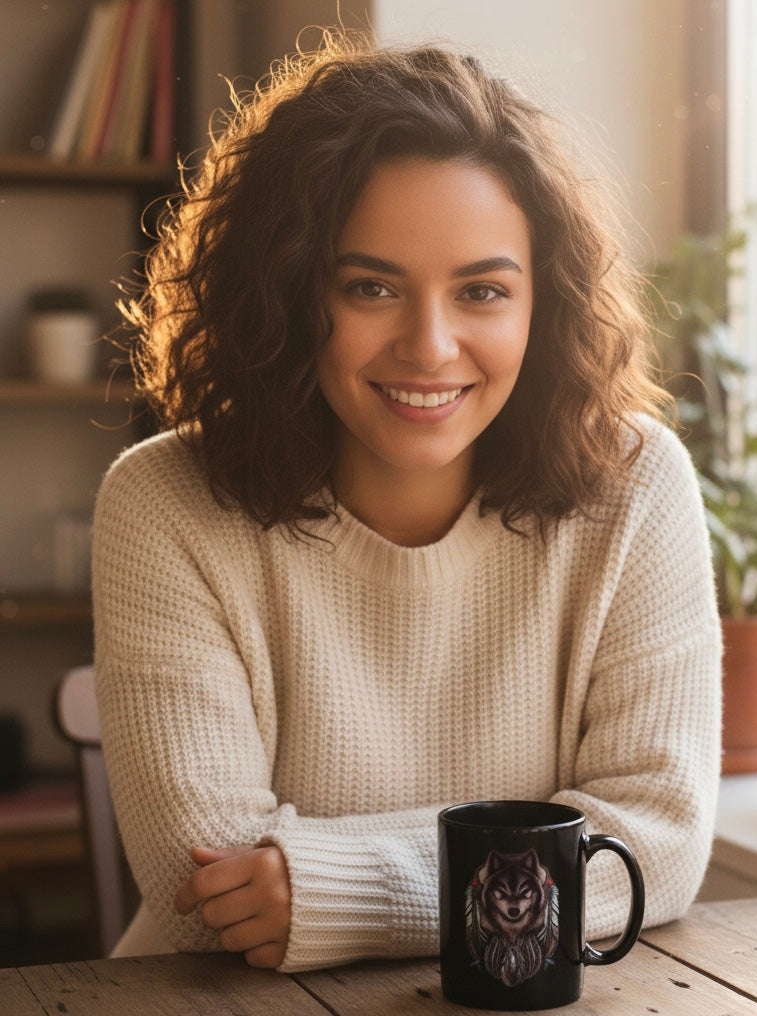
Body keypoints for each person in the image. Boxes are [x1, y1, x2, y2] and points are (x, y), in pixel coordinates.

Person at [92, 33, 722, 973]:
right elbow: (204, 900)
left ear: (538, 305)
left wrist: (339, 890)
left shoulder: (635, 486)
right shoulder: (162, 504)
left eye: (480, 291)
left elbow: (657, 851)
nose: (429, 347)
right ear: (285, 290)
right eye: (371, 286)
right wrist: (529, 862)